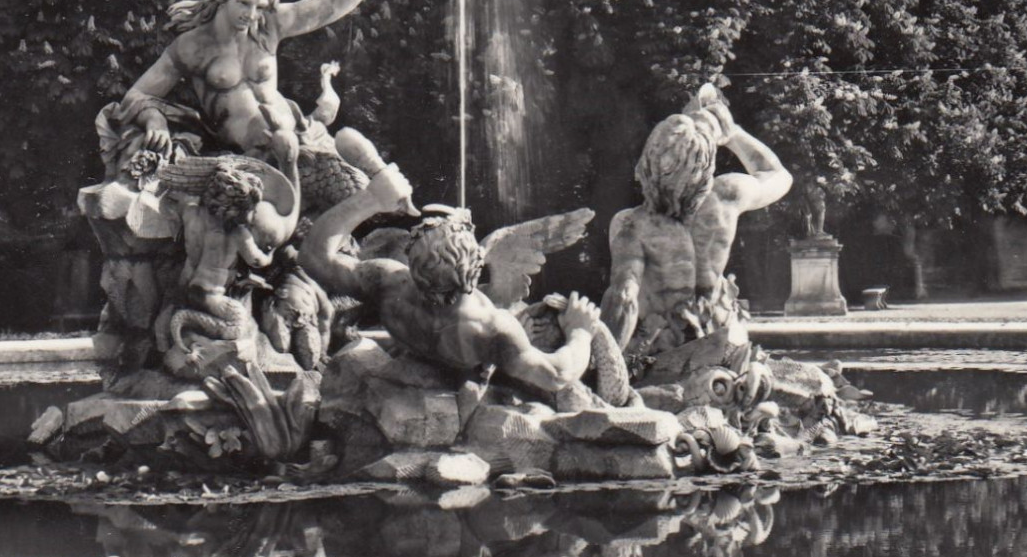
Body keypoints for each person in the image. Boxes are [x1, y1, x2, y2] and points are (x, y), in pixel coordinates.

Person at [96, 0, 412, 203]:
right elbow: (135, 96)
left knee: (355, 179)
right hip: (247, 155)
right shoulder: (193, 47)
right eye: (243, 3)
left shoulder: (269, 24)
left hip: (297, 139)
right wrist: (155, 119)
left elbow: (330, 5)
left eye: (258, 5)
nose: (251, 14)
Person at [299, 166, 605, 403]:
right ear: (474, 263)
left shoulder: (390, 283)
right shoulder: (492, 328)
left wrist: (371, 200)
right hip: (467, 368)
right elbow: (556, 375)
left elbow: (314, 256)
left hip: (415, 350)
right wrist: (580, 331)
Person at [601, 86, 792, 355]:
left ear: (648, 162)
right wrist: (732, 132)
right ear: (706, 165)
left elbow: (623, 298)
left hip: (663, 348)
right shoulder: (726, 196)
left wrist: (602, 362)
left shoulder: (631, 225)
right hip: (721, 339)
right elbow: (777, 174)